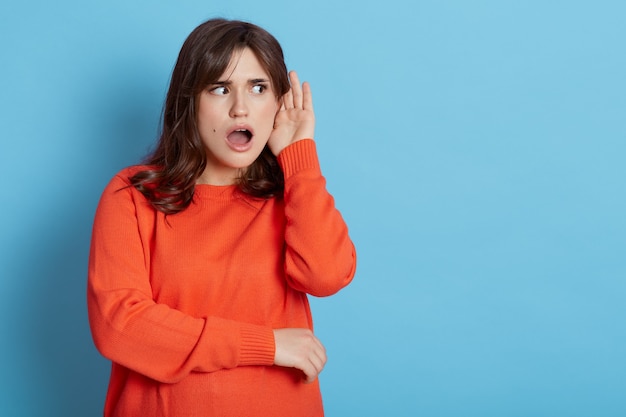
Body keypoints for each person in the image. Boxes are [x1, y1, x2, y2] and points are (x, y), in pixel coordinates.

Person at [87, 18, 356, 417]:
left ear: (279, 103)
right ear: (190, 100)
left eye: (258, 88)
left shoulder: (294, 196)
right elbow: (120, 325)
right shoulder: (133, 195)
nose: (240, 108)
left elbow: (327, 275)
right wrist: (268, 345)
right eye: (220, 88)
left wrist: (299, 155)